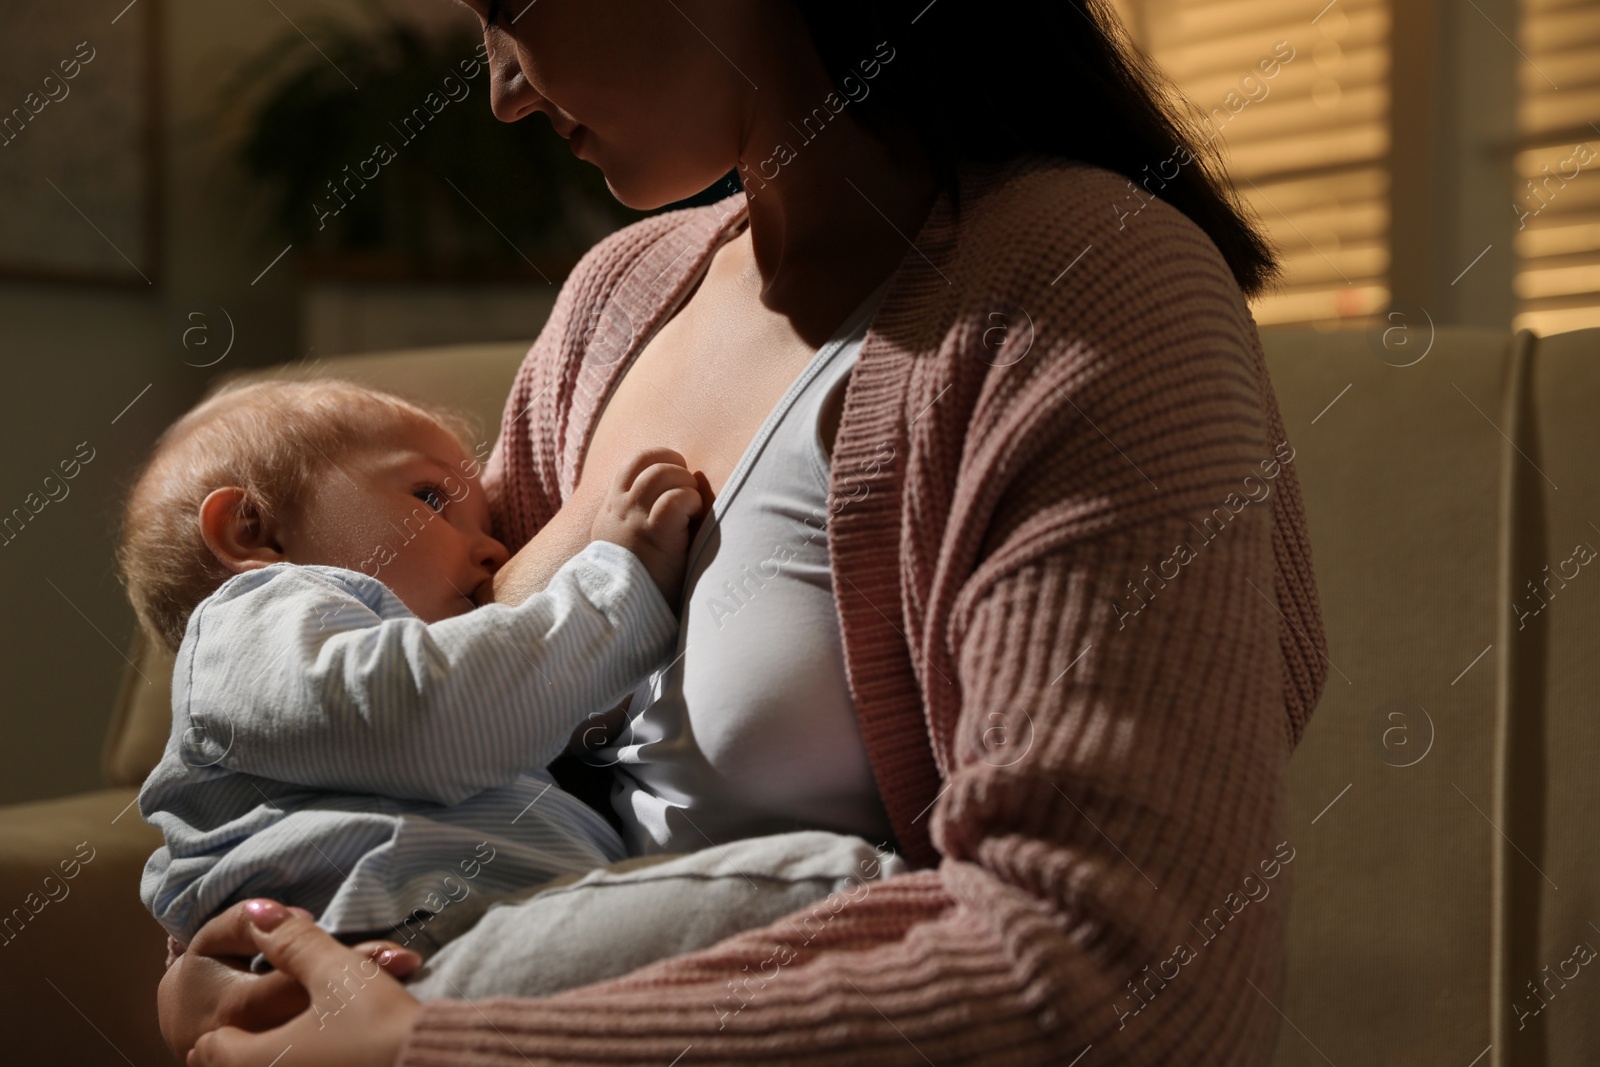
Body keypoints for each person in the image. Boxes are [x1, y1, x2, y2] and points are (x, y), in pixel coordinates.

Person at [162, 1, 1329, 1064]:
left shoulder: (1087, 282)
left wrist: (446, 1047)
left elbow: (1131, 979)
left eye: (507, 10)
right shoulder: (612, 301)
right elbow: (404, 722)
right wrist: (240, 970)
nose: (501, 91)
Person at [122, 379, 700, 951]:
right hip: (395, 948)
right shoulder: (245, 625)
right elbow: (423, 714)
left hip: (508, 937)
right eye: (430, 499)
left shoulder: (423, 656)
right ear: (256, 531)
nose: (495, 551)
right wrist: (615, 593)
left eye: (490, 529)